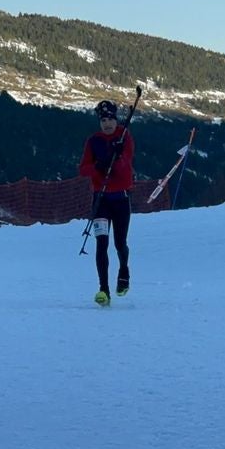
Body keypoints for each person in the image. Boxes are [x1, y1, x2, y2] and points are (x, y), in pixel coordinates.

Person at [78, 99, 135, 306]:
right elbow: (83, 168)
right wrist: (97, 166)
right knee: (101, 243)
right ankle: (104, 289)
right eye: (103, 120)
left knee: (120, 243)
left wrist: (117, 158)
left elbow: (126, 165)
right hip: (100, 199)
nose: (107, 124)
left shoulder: (124, 137)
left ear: (116, 119)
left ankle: (124, 271)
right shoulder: (94, 141)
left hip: (121, 198)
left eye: (110, 119)